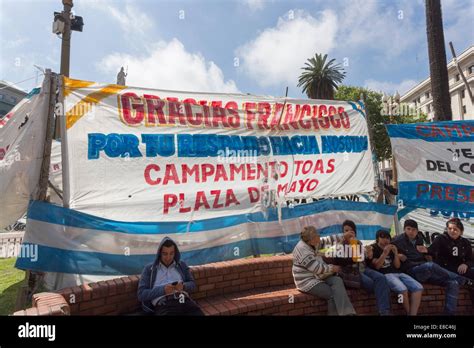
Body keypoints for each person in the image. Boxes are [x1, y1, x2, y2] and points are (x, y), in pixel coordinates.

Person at [392, 219, 472, 315]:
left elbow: (426, 252)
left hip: (426, 271)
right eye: (408, 229)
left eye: (413, 229)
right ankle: (462, 280)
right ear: (404, 229)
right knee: (431, 265)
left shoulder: (419, 239)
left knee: (453, 283)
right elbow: (386, 247)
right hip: (412, 272)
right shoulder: (398, 241)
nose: (411, 232)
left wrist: (425, 253)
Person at [320, 220, 392, 316]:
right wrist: (355, 257)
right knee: (372, 284)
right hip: (351, 271)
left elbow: (364, 260)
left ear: (355, 232)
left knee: (381, 278)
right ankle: (383, 309)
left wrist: (369, 255)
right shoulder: (339, 244)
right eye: (346, 230)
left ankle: (384, 312)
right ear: (343, 232)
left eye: (351, 231)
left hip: (363, 269)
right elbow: (340, 261)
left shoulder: (358, 242)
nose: (349, 233)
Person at [292, 226, 356, 316]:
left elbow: (328, 240)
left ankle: (348, 313)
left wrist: (344, 236)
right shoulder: (302, 250)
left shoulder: (313, 242)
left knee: (337, 280)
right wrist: (332, 268)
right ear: (311, 240)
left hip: (318, 276)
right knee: (332, 295)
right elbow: (317, 269)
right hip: (307, 281)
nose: (319, 236)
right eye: (317, 235)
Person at [137, 237, 204, 315]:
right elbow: (141, 294)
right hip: (164, 304)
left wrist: (183, 286)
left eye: (171, 253)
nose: (168, 258)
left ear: (175, 253)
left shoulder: (181, 265)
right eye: (165, 254)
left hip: (184, 300)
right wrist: (163, 290)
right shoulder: (149, 269)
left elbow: (193, 284)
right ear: (159, 253)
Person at [369, 230, 423, 315]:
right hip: (386, 275)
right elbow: (377, 266)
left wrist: (396, 253)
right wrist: (384, 253)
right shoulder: (374, 248)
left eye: (387, 238)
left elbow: (397, 266)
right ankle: (409, 313)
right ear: (377, 239)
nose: (385, 240)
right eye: (382, 237)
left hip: (398, 273)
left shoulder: (392, 248)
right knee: (402, 289)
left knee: (418, 287)